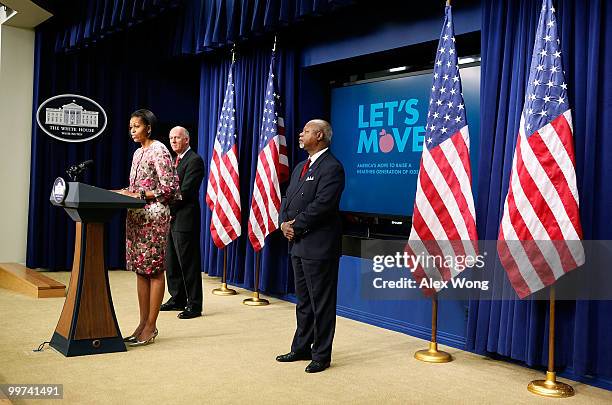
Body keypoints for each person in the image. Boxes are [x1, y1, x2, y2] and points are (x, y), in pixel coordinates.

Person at [276, 119, 345, 373]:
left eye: (305, 131)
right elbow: (287, 198)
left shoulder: (333, 167)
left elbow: (323, 205)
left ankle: (321, 354)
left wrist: (296, 224)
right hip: (298, 244)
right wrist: (284, 222)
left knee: (321, 304)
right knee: (303, 302)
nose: (300, 134)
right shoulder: (300, 167)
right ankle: (301, 347)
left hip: (319, 245)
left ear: (319, 135)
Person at [115, 109, 180, 346]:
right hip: (136, 217)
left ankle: (151, 326)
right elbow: (139, 185)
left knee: (154, 270)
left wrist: (139, 194)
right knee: (140, 270)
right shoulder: (137, 153)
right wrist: (123, 193)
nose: (132, 130)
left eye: (137, 126)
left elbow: (170, 189)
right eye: (130, 126)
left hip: (154, 217)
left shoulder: (160, 150)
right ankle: (141, 324)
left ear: (149, 128)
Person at [161, 126, 205, 319]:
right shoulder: (172, 160)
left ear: (187, 139)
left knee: (188, 263)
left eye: (177, 138)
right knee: (171, 262)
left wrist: (164, 206)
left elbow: (185, 193)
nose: (173, 141)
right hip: (171, 218)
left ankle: (194, 305)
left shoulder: (194, 160)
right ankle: (177, 298)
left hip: (185, 218)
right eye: (171, 138)